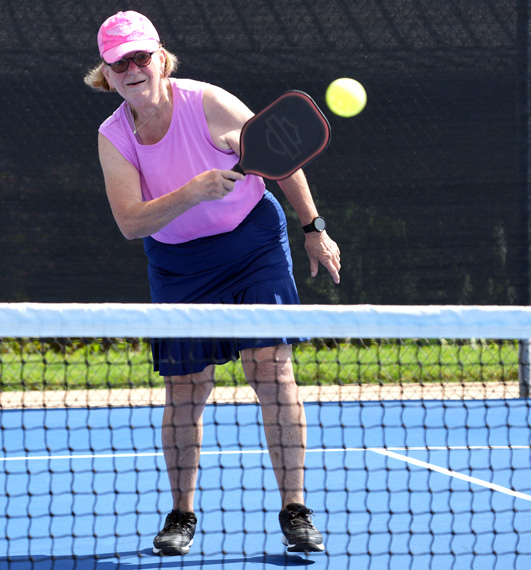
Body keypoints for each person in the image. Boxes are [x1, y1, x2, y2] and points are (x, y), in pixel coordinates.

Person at [84, 10, 341, 557]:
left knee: (270, 369)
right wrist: (193, 191)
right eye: (119, 62)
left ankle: (295, 511)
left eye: (140, 56)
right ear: (107, 75)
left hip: (253, 245)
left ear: (160, 58)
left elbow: (281, 157)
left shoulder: (208, 102)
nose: (133, 69)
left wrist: (314, 229)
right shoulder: (114, 137)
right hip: (180, 266)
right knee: (186, 387)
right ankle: (180, 515)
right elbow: (131, 222)